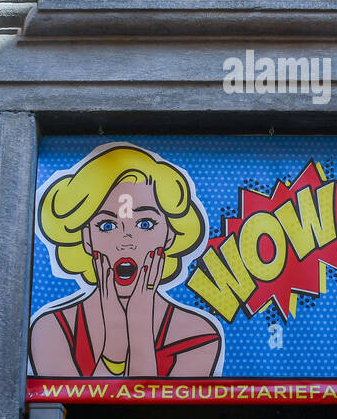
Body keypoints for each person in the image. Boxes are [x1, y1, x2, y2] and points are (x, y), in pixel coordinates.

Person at [29, 144, 222, 378]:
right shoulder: (51, 330)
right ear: (86, 238)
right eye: (107, 225)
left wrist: (139, 325)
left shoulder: (199, 335)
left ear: (170, 235)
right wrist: (114, 345)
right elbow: (92, 411)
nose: (126, 242)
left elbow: (157, 412)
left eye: (145, 224)